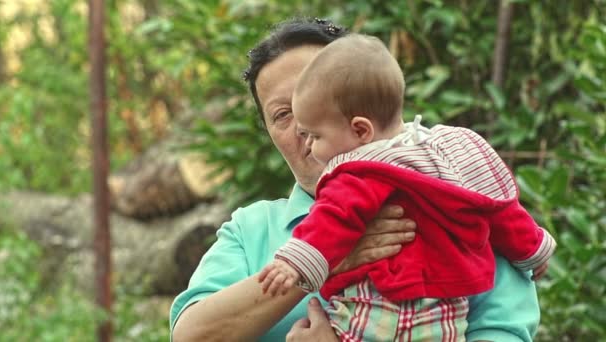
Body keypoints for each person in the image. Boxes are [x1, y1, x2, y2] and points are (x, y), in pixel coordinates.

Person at [170, 18, 541, 342]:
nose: (303, 126)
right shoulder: (252, 229)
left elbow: (504, 328)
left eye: (318, 98)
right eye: (283, 114)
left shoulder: (452, 197)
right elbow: (191, 335)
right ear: (269, 133)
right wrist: (324, 259)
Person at [257, 33, 555, 340]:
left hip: (379, 316)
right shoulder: (453, 150)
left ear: (360, 129)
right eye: (282, 116)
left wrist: (293, 264)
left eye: (315, 136)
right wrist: (533, 251)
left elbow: (332, 219)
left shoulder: (359, 171)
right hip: (446, 319)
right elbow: (502, 211)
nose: (309, 145)